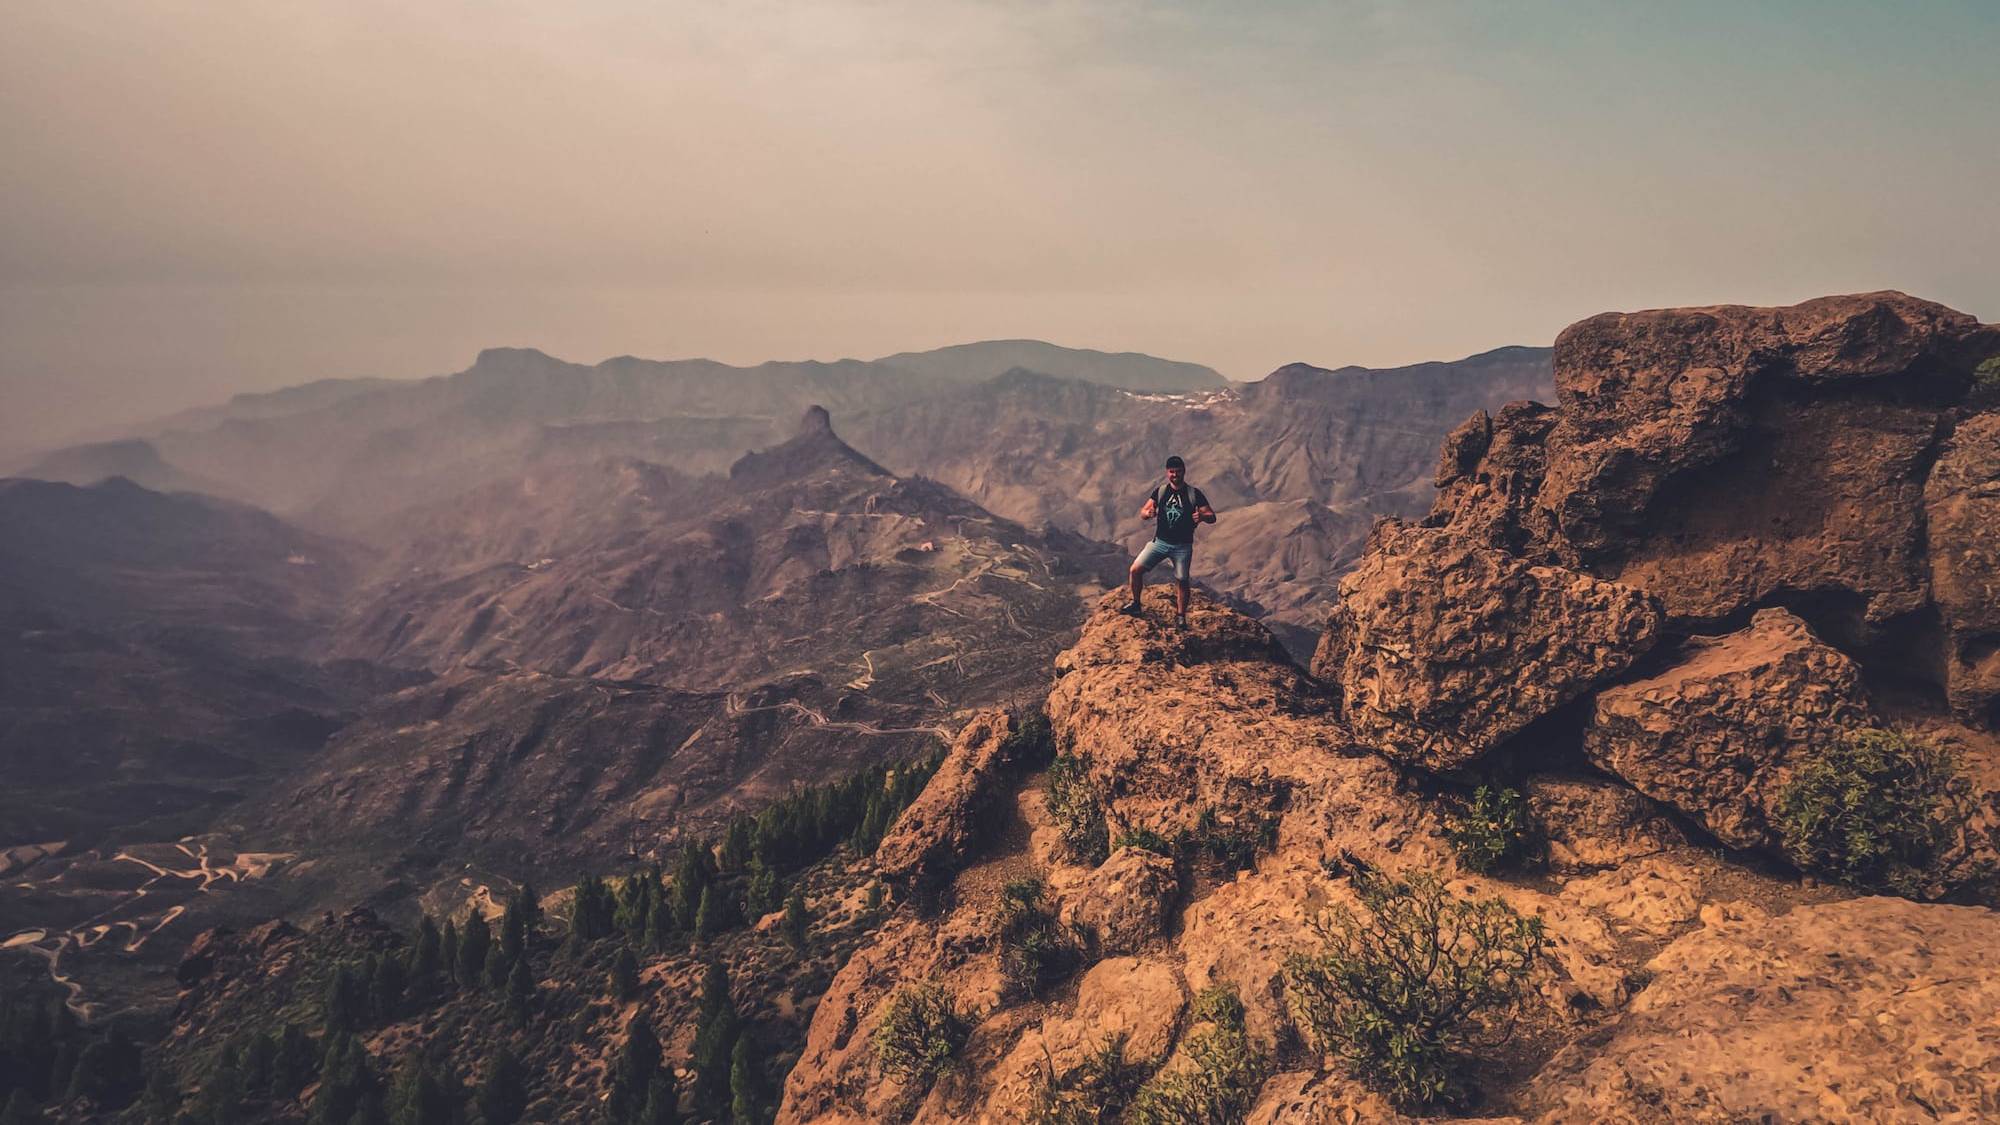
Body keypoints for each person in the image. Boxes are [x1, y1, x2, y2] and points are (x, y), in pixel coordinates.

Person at [1122, 455, 1215, 627]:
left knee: (1182, 579)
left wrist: (1202, 516)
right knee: (1135, 570)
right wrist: (1148, 514)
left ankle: (1181, 616)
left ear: (1184, 471)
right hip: (1160, 542)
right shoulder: (1161, 492)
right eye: (1172, 472)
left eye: (1178, 471)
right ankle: (1136, 603)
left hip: (1182, 546)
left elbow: (1212, 516)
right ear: (1167, 473)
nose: (1175, 475)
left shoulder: (1194, 494)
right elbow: (1143, 511)